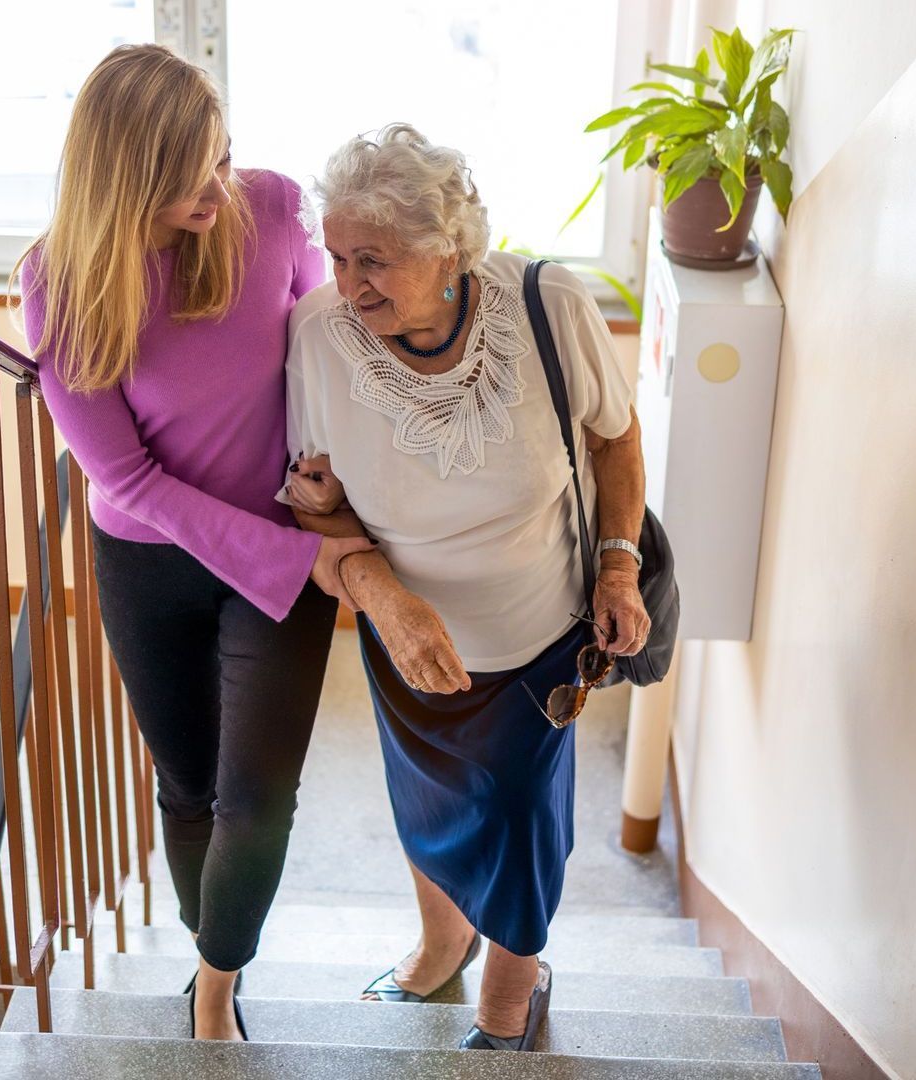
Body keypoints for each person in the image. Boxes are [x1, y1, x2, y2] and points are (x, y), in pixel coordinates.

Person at [13, 44, 369, 1042]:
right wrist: (298, 559)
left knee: (257, 798)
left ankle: (215, 989)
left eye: (223, 156)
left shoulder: (270, 207)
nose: (220, 187)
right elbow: (125, 479)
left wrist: (326, 483)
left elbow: (325, 347)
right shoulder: (61, 284)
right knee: (189, 789)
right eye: (191, 175)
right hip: (151, 561)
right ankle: (211, 942)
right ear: (126, 174)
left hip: (282, 546)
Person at [280, 124, 650, 1051]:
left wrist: (617, 562)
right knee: (430, 803)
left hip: (542, 638)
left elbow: (615, 440)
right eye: (336, 256)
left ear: (449, 248)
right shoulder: (319, 336)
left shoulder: (548, 303)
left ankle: (510, 990)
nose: (348, 281)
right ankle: (443, 941)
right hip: (404, 636)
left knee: (521, 816)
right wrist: (379, 591)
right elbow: (316, 502)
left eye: (375, 258)